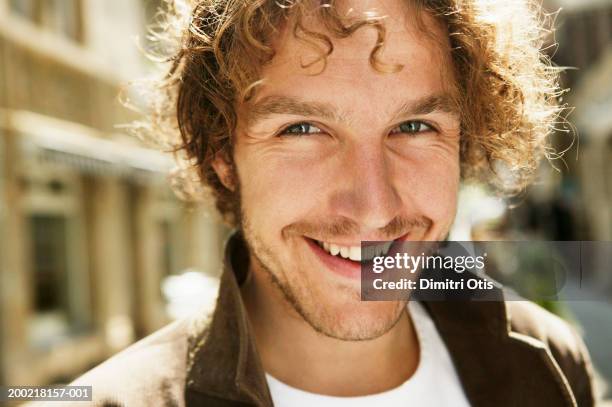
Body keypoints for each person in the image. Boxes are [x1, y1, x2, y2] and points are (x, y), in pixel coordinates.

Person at [65, 0, 596, 406]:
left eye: (413, 126)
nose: (372, 207)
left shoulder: (549, 359)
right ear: (222, 154)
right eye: (302, 129)